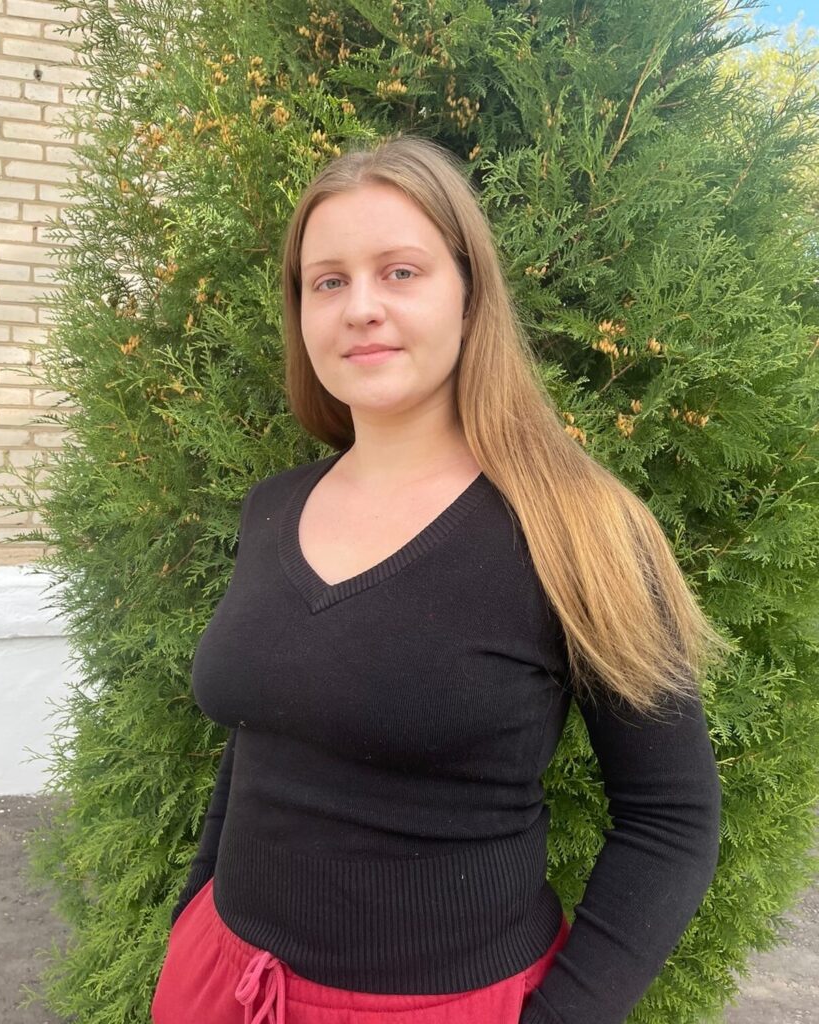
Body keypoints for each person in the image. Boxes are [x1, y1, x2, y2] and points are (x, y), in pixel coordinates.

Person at [151, 134, 733, 1024]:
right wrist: (194, 917)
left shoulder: (579, 531)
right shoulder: (273, 508)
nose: (360, 308)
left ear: (469, 294)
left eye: (401, 272)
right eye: (327, 281)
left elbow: (671, 819)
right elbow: (263, 737)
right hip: (221, 979)